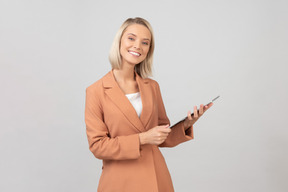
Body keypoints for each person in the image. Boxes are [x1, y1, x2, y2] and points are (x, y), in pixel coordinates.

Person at [85, 17, 213, 192]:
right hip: (119, 181)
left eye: (145, 42)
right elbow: (98, 146)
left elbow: (161, 136)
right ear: (119, 41)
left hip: (156, 178)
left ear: (149, 50)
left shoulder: (152, 87)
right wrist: (142, 138)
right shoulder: (95, 91)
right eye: (131, 38)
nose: (138, 46)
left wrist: (186, 125)